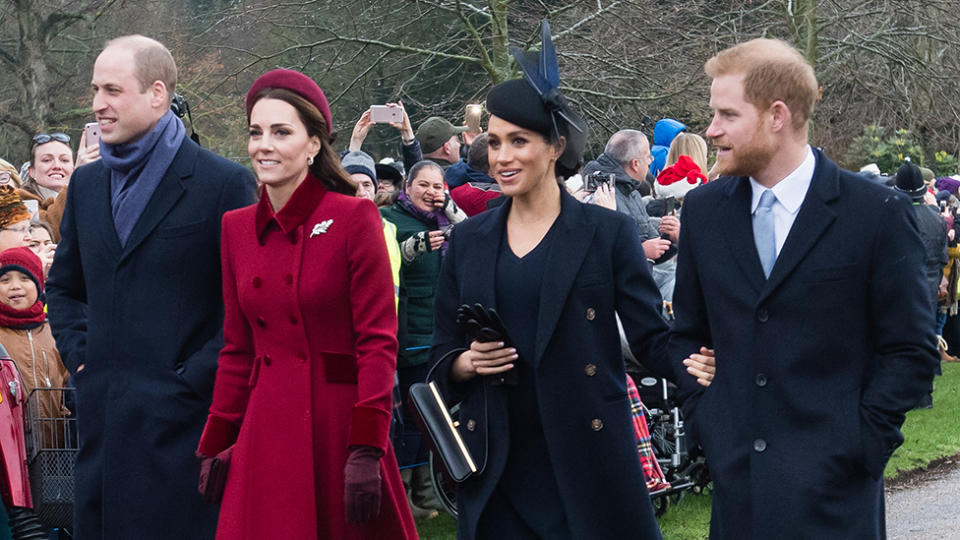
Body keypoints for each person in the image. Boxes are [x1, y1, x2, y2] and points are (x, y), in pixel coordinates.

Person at [669, 38, 939, 539]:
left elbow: (911, 349)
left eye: (727, 114)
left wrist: (862, 442)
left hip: (838, 500)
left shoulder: (874, 214)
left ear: (776, 115)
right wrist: (708, 418)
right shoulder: (704, 212)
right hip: (738, 496)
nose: (711, 130)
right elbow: (686, 333)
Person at [430, 21, 681, 540]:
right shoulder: (470, 241)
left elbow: (651, 338)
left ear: (554, 145)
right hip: (497, 465)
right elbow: (436, 357)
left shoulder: (605, 233)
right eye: (494, 142)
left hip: (588, 458)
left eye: (518, 140)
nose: (502, 157)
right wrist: (464, 362)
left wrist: (705, 360)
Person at [45, 35, 256, 539]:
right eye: (96, 89)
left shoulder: (223, 183)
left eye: (113, 90)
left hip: (183, 433)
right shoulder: (87, 185)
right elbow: (65, 287)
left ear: (157, 93)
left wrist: (187, 382)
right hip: (102, 429)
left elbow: (243, 308)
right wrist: (83, 361)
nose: (98, 103)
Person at [196, 68, 417, 539]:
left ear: (314, 144)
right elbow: (237, 348)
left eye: (281, 132)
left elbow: (378, 342)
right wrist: (217, 443)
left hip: (336, 426)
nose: (263, 145)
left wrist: (366, 447)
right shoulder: (235, 228)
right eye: (256, 132)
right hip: (265, 426)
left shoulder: (353, 217)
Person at [380, 159, 465, 516]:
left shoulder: (445, 221)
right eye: (424, 186)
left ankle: (427, 491)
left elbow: (474, 233)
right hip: (409, 332)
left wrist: (448, 206)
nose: (432, 192)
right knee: (412, 418)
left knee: (432, 415)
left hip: (439, 331)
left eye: (438, 186)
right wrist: (412, 247)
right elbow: (386, 258)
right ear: (407, 187)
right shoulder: (392, 219)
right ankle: (404, 492)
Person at [0, 247, 70, 448]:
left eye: (24, 278)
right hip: (8, 451)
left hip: (55, 449)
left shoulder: (54, 332)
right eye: (5, 280)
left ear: (39, 284)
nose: (15, 286)